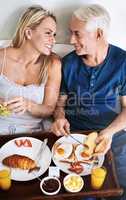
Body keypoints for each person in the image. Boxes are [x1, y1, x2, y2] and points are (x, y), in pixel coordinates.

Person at [51, 4, 126, 200]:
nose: (70, 40)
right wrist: (59, 118)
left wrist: (108, 132)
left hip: (114, 136)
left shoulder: (123, 62)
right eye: (70, 33)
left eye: (77, 33)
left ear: (99, 34)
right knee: (82, 193)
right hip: (75, 137)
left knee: (120, 188)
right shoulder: (68, 63)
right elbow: (59, 105)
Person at [0, 5, 61, 134]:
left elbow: (49, 109)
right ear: (28, 33)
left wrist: (28, 105)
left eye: (54, 34)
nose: (53, 40)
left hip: (33, 133)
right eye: (48, 33)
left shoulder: (53, 63)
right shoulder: (1, 57)